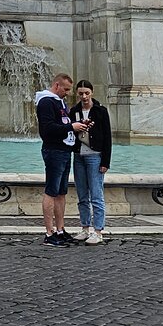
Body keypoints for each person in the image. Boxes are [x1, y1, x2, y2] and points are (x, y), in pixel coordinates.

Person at [35, 73, 88, 246]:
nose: (67, 93)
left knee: (61, 192)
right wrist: (71, 127)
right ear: (56, 85)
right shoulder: (45, 102)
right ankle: (49, 233)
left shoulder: (60, 102)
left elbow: (63, 124)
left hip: (64, 150)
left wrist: (78, 126)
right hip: (53, 150)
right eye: (65, 89)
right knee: (51, 190)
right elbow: (47, 129)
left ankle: (60, 229)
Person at [70, 80, 112, 245]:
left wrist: (105, 162)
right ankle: (85, 228)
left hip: (95, 156)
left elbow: (107, 137)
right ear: (77, 94)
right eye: (80, 93)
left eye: (87, 93)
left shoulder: (100, 111)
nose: (84, 96)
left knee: (96, 195)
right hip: (79, 156)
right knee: (82, 195)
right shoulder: (74, 111)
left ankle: (98, 231)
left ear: (92, 92)